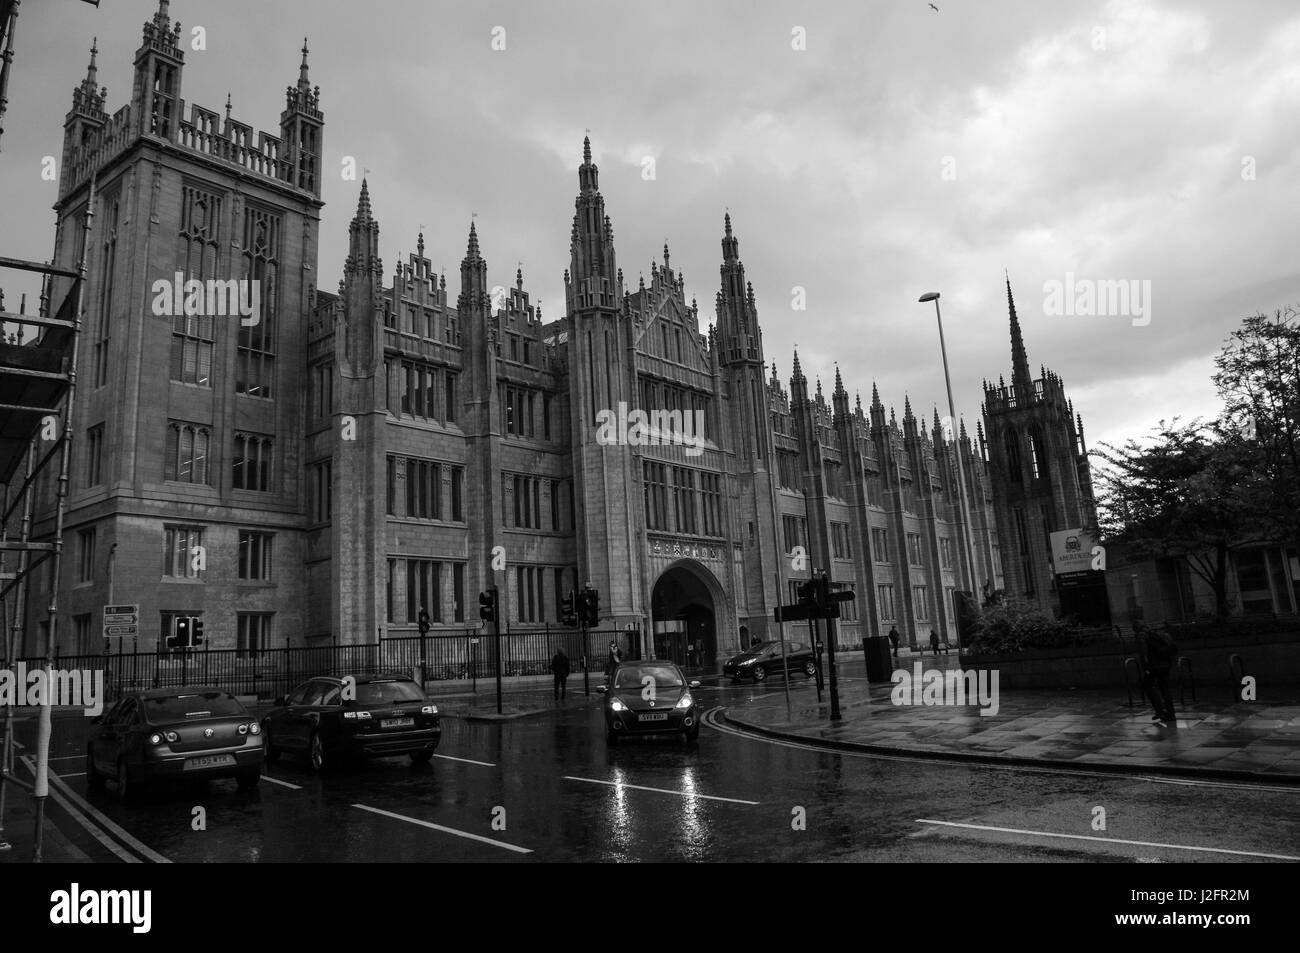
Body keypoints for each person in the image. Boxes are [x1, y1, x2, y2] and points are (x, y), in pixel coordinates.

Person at [1137, 624, 1177, 724]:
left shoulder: (1142, 635)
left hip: (1154, 666)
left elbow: (1143, 652)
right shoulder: (1159, 633)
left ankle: (1160, 710)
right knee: (1165, 688)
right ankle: (1171, 714)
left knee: (1148, 686)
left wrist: (1146, 668)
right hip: (1166, 664)